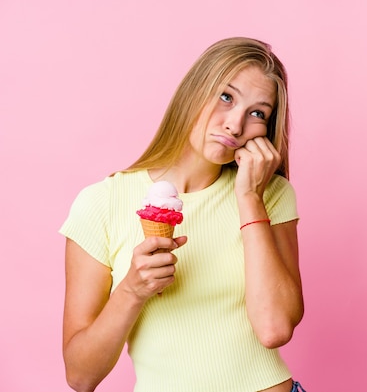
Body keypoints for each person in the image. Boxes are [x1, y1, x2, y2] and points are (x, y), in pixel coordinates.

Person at [60, 37, 306, 392]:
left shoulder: (270, 195)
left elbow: (274, 328)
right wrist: (132, 290)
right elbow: (80, 377)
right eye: (226, 96)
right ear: (193, 91)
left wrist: (249, 197)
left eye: (258, 113)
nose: (235, 125)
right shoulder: (101, 203)